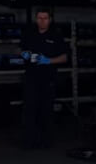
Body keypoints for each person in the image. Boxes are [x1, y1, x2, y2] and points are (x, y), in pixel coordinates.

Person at [20, 8, 68, 147]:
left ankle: (46, 141)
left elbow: (64, 57)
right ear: (36, 19)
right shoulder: (29, 34)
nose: (42, 21)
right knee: (29, 109)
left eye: (45, 18)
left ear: (50, 20)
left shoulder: (56, 36)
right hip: (30, 77)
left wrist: (48, 61)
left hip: (48, 78)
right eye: (39, 18)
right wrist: (23, 53)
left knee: (46, 109)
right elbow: (18, 48)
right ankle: (29, 141)